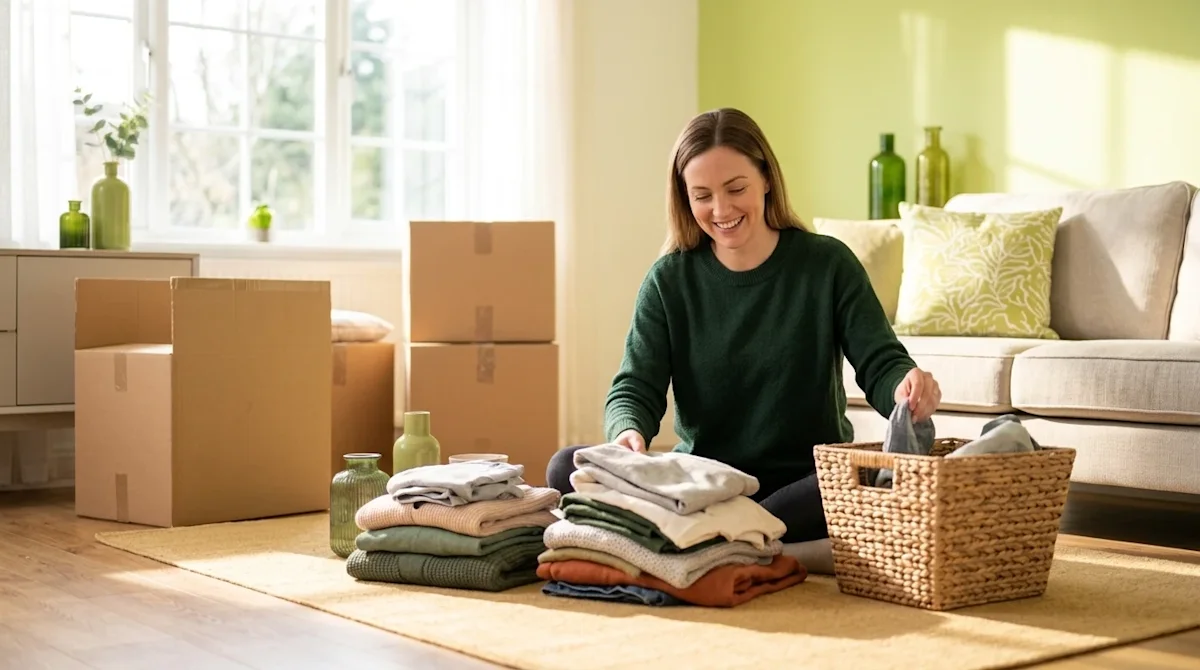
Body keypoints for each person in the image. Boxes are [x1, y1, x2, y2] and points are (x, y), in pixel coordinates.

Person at [546, 107, 942, 544]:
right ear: (684, 198)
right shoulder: (669, 280)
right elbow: (635, 386)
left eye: (736, 188)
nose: (721, 209)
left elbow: (880, 362)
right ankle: (738, 534)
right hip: (705, 484)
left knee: (853, 481)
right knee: (566, 466)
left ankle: (712, 537)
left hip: (803, 482)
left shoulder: (827, 264)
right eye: (702, 195)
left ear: (766, 178)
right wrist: (627, 433)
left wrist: (906, 386)